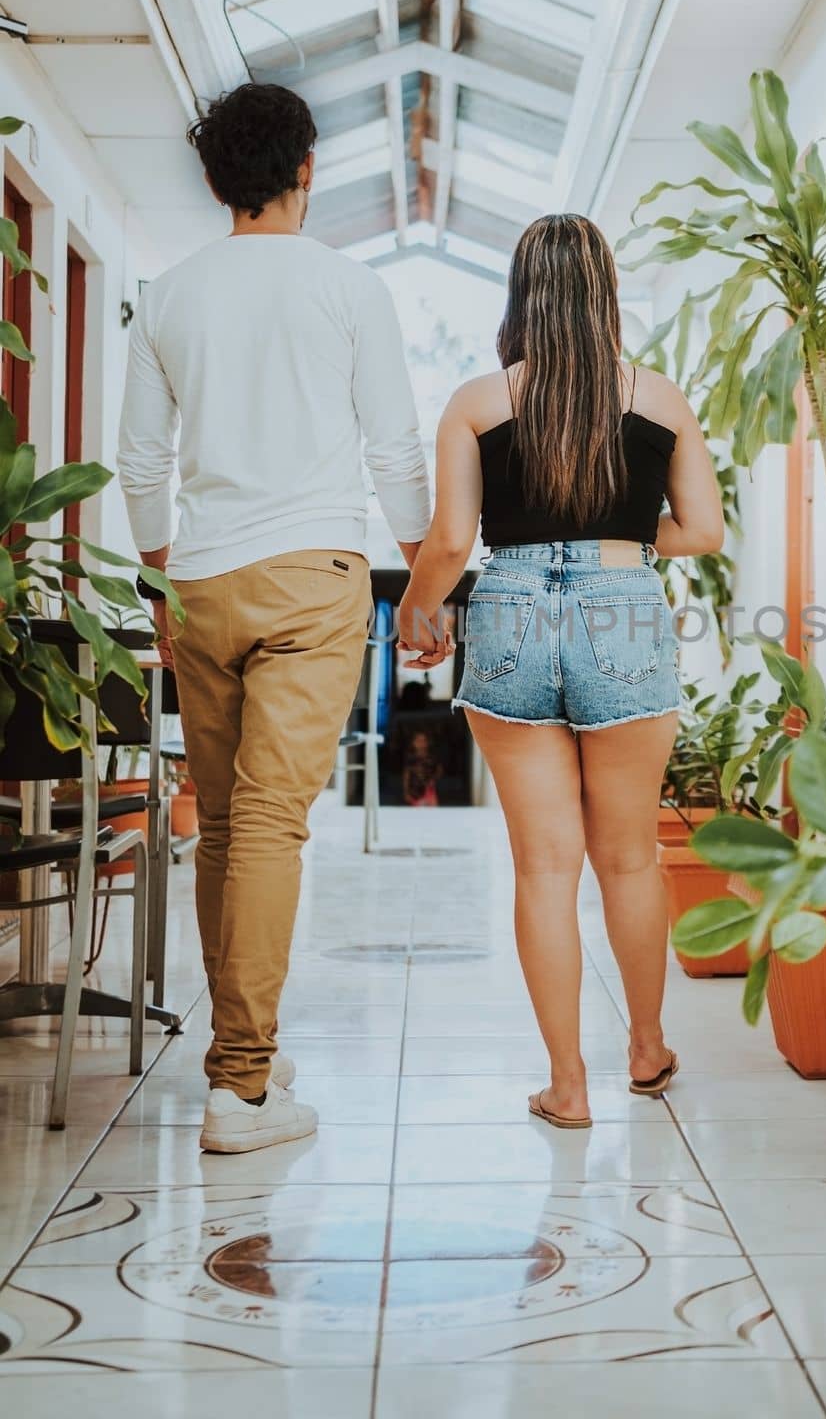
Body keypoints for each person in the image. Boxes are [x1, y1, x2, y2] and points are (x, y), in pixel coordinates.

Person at [117, 82, 436, 1154]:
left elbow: (140, 462)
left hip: (199, 582)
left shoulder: (167, 295)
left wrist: (160, 579)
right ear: (308, 170)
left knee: (223, 820)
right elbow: (394, 449)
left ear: (216, 181)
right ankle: (242, 1085)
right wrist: (428, 568)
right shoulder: (348, 288)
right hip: (313, 577)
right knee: (266, 821)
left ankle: (240, 1052)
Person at [398, 213, 724, 1128]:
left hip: (506, 609)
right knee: (628, 857)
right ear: (604, 293)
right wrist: (616, 535)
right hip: (624, 608)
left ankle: (567, 1084)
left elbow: (455, 538)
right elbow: (702, 530)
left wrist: (419, 620)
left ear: (520, 296)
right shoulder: (658, 398)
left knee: (545, 867)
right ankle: (649, 1049)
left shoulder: (475, 401)